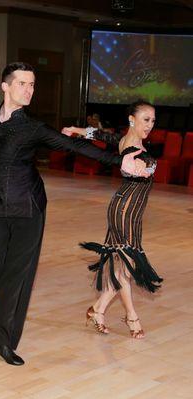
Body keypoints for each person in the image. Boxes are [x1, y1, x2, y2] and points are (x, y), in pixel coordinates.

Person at [0, 63, 149, 366]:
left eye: (32, 85)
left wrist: (119, 162)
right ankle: (4, 322)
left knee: (14, 277)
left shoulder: (33, 127)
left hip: (27, 210)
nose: (29, 90)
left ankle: (1, 342)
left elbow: (74, 146)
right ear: (5, 87)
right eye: (22, 84)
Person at [62, 100, 163, 339]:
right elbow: (128, 165)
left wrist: (76, 130)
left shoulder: (127, 140)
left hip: (131, 214)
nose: (150, 125)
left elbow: (101, 136)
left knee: (125, 268)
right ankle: (131, 317)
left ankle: (98, 310)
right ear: (132, 119)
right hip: (124, 212)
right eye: (146, 119)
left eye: (153, 121)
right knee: (126, 268)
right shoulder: (130, 147)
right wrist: (134, 168)